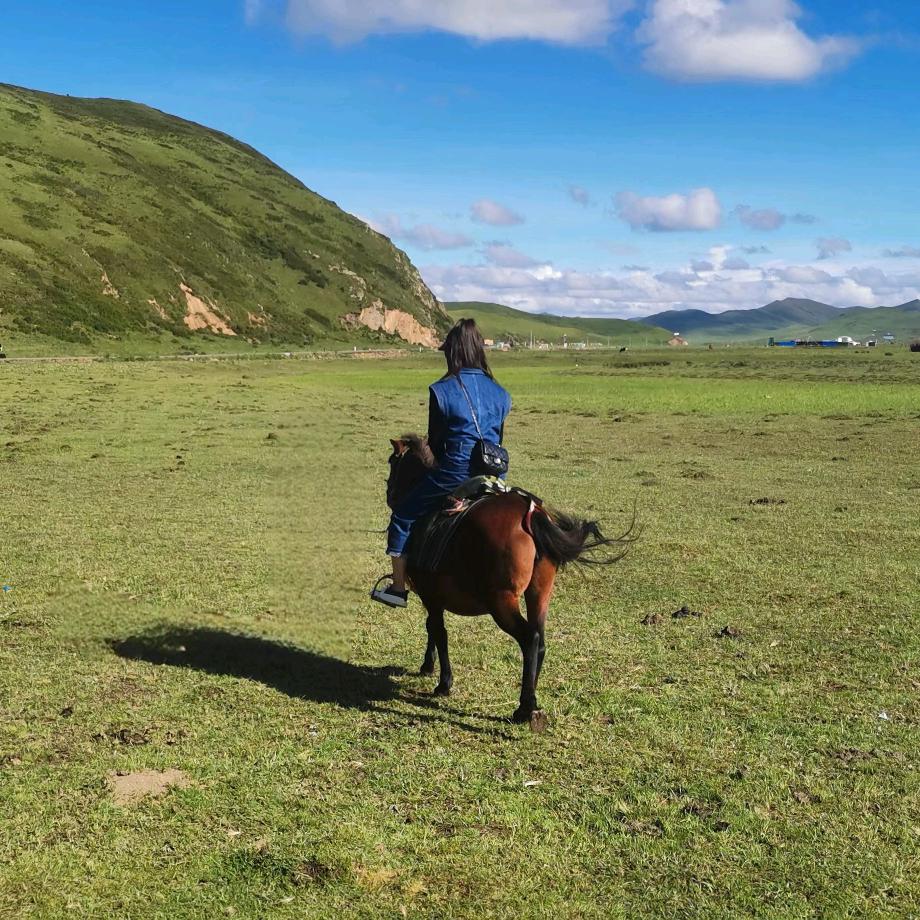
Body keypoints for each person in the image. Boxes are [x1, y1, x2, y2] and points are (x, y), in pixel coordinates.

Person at [371, 318, 512, 608]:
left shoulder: (442, 390)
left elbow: (435, 444)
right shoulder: (501, 393)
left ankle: (397, 589)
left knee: (403, 516)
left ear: (454, 352)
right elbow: (497, 437)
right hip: (495, 472)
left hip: (456, 470)